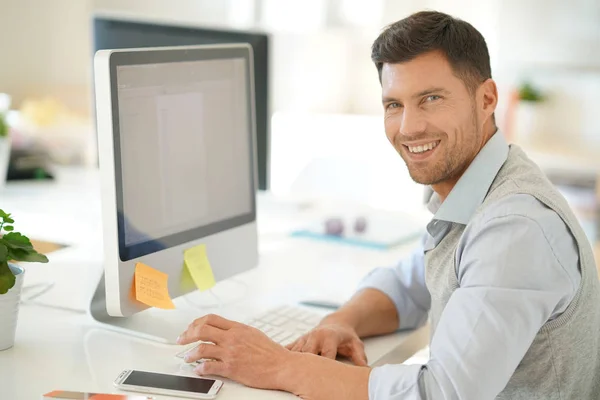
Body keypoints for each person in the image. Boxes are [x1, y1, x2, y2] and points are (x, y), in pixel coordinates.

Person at [177, 10, 600, 399]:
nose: (409, 127)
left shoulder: (515, 226)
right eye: (394, 104)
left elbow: (443, 393)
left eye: (431, 99)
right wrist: (341, 322)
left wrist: (278, 365)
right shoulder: (477, 188)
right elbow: (409, 284)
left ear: (487, 99)